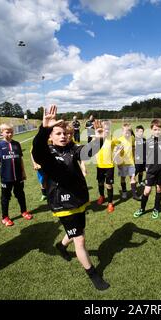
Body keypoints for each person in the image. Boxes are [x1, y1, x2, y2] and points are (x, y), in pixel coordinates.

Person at [31, 105, 110, 291]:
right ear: (50, 136)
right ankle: (93, 274)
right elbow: (37, 149)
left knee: (78, 230)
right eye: (57, 133)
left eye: (65, 133)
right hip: (63, 203)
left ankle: (61, 245)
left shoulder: (72, 149)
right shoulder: (47, 154)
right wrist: (44, 128)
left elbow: (88, 152)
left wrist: (100, 137)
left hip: (79, 200)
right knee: (80, 240)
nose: (62, 136)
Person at [0, 123, 33, 226]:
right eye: (7, 132)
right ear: (1, 133)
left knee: (20, 194)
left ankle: (24, 211)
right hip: (6, 177)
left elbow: (20, 159)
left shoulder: (17, 144)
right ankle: (5, 217)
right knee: (5, 197)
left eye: (11, 132)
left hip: (18, 176)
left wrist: (23, 172)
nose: (10, 134)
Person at [134, 119, 161, 219]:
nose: (157, 131)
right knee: (147, 191)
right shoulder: (148, 142)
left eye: (159, 129)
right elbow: (144, 156)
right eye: (155, 129)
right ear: (151, 130)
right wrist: (146, 167)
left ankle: (156, 209)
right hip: (151, 171)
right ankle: (142, 209)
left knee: (159, 189)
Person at [95, 120, 119, 213]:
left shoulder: (112, 138)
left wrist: (117, 153)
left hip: (109, 166)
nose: (106, 130)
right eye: (105, 129)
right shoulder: (97, 138)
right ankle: (102, 196)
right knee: (100, 183)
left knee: (109, 185)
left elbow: (120, 145)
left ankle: (110, 203)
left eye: (108, 129)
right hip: (100, 165)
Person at [116, 123, 140, 200]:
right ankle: (124, 192)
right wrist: (118, 162)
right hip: (122, 163)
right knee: (123, 178)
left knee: (133, 178)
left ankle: (134, 195)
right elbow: (116, 153)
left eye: (129, 131)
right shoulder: (119, 140)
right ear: (122, 131)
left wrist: (135, 158)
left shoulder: (132, 138)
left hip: (131, 162)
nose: (127, 133)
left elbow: (133, 149)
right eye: (125, 131)